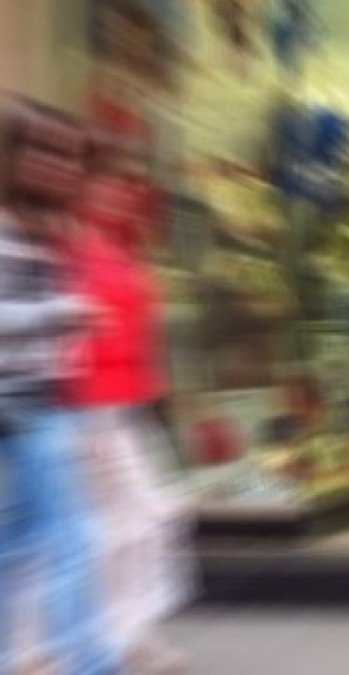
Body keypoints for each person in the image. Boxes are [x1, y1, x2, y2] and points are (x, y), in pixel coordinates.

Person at [65, 126, 192, 673]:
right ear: (82, 182)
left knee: (143, 519)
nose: (122, 192)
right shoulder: (66, 247)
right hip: (83, 407)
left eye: (127, 182)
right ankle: (101, 636)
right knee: (109, 525)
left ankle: (124, 630)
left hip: (124, 405)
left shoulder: (119, 246)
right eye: (109, 181)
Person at [0, 97, 118, 675]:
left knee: (17, 540)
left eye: (71, 156)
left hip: (37, 401)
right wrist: (64, 313)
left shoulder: (39, 231)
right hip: (20, 405)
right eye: (43, 151)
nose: (61, 166)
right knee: (73, 536)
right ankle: (90, 662)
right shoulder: (6, 231)